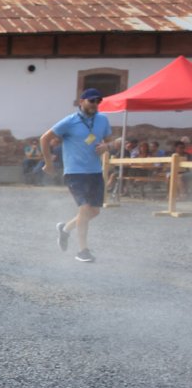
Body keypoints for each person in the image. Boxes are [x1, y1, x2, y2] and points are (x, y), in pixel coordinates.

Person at [41, 87, 111, 263]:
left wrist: (107, 146)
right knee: (85, 208)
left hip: (95, 171)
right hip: (75, 172)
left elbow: (108, 140)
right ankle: (82, 251)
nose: (95, 104)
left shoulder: (103, 120)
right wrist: (48, 163)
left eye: (98, 101)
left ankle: (65, 229)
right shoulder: (69, 121)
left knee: (94, 211)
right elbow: (45, 139)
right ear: (81, 102)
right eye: (91, 100)